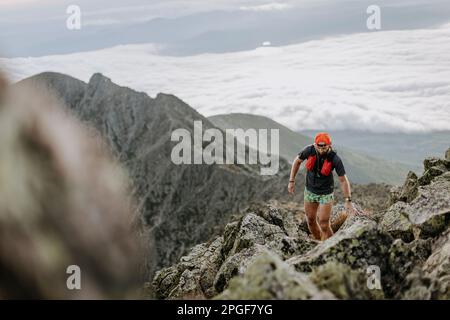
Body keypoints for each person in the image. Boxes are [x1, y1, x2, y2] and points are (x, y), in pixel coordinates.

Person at [288, 132, 355, 241]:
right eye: (319, 146)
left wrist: (348, 200)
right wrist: (291, 181)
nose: (322, 148)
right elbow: (297, 161)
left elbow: (343, 180)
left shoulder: (335, 159)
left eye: (325, 146)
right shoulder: (309, 150)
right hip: (310, 191)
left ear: (330, 145)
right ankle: (320, 244)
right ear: (315, 144)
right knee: (310, 220)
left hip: (326, 193)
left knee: (324, 223)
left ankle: (332, 246)